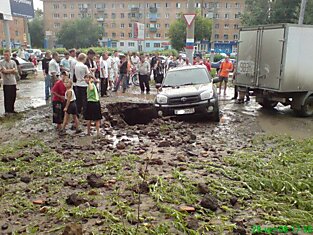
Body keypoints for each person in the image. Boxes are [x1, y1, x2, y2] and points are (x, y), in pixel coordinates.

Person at [0, 50, 18, 114]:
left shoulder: (13, 62)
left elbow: (16, 71)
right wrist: (12, 70)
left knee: (13, 96)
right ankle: (7, 111)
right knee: (7, 97)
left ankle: (12, 109)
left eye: (7, 55)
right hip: (6, 82)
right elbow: (4, 71)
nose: (5, 56)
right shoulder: (2, 62)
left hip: (13, 81)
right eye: (4, 55)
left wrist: (10, 70)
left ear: (10, 55)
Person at [75, 53, 89, 119]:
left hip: (78, 83)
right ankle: (85, 113)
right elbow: (88, 75)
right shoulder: (84, 66)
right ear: (84, 59)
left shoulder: (76, 65)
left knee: (78, 99)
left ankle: (78, 112)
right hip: (84, 84)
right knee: (85, 100)